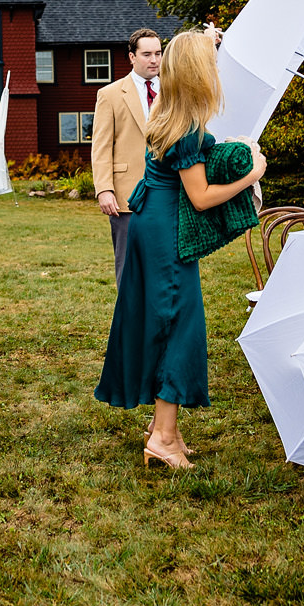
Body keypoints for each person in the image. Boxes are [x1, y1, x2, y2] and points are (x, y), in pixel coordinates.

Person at [94, 31, 266, 469]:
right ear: (198, 72)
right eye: (211, 62)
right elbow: (202, 196)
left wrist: (230, 150)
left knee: (159, 320)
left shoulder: (168, 112)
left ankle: (161, 427)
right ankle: (164, 439)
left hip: (151, 224)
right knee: (178, 325)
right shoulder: (186, 126)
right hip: (168, 233)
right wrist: (252, 174)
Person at [92, 27, 166, 283]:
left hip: (168, 190)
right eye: (147, 54)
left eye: (158, 53)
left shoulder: (174, 91)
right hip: (126, 194)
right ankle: (130, 318)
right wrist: (104, 189)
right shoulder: (110, 94)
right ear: (132, 57)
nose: (154, 60)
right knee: (128, 265)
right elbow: (101, 147)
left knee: (164, 262)